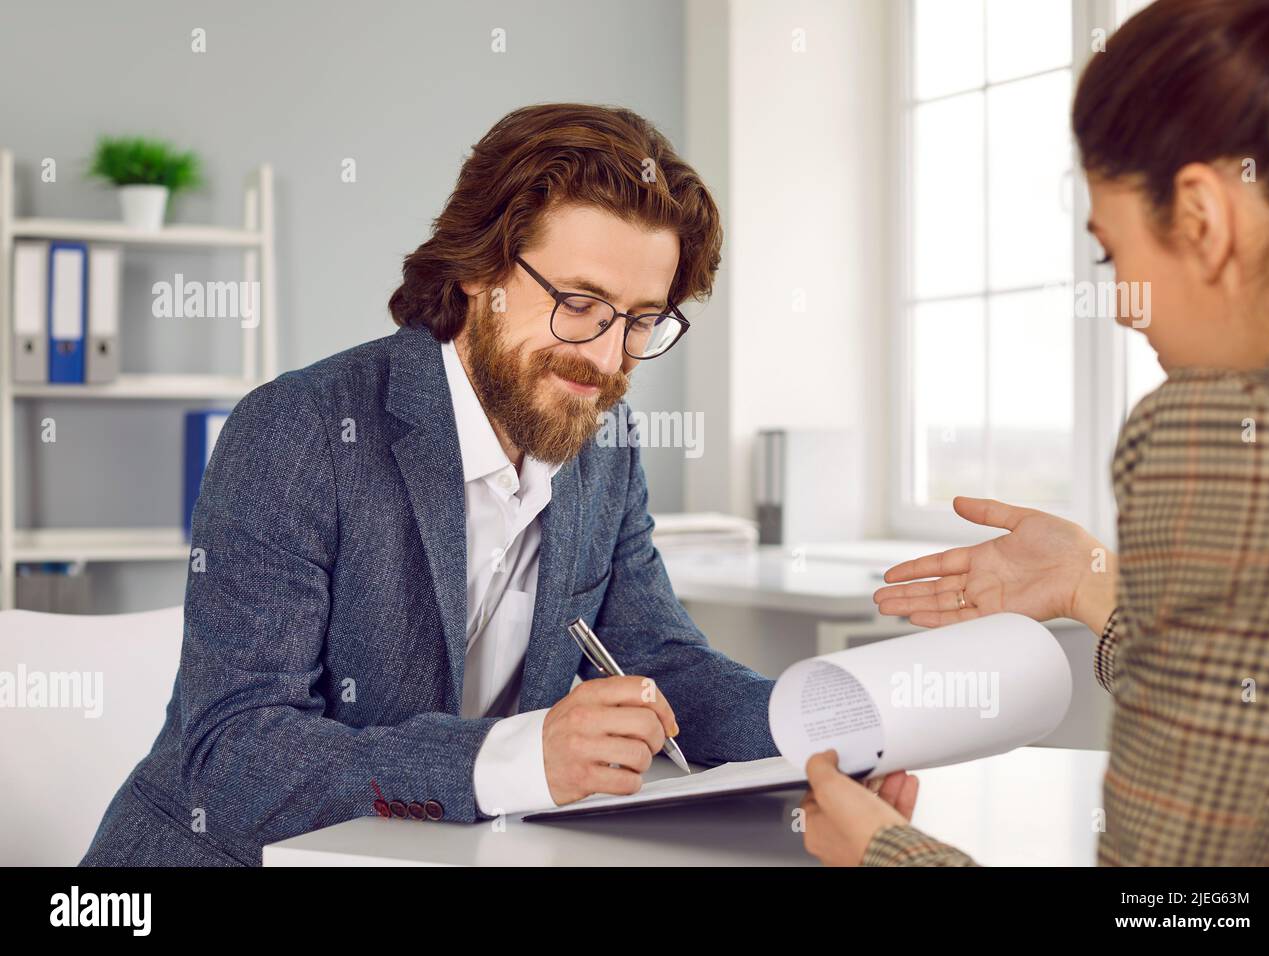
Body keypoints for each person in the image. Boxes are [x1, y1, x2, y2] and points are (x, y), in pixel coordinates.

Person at [81, 103, 779, 866]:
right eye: (579, 304)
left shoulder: (602, 445)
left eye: (642, 320)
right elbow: (234, 754)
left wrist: (835, 725)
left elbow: (663, 665)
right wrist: (512, 760)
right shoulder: (298, 431)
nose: (608, 359)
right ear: (480, 269)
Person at [800, 0, 1269, 867]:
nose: (1115, 305)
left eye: (1112, 254)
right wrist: (1088, 579)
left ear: (1202, 217)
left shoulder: (1222, 429)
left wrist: (887, 854)